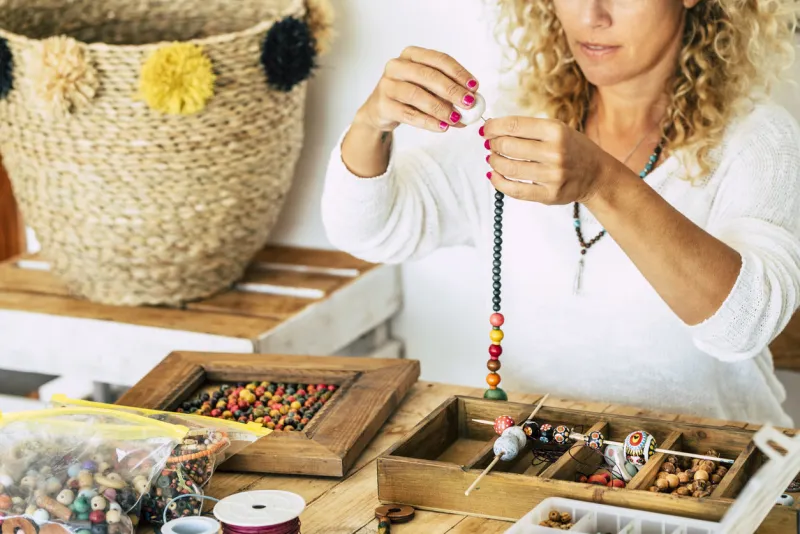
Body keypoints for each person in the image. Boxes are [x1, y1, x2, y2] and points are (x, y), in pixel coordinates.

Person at [320, 0, 800, 426]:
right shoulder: (517, 119)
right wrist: (373, 121)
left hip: (714, 479)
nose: (592, 15)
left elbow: (746, 323)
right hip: (538, 470)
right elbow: (370, 230)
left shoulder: (758, 139)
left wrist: (603, 182)